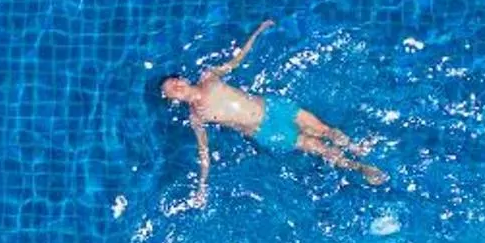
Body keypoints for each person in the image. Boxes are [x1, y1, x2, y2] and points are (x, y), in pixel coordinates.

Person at [159, 20, 383, 206]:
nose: (177, 88)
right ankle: (362, 168)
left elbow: (237, 60)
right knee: (320, 148)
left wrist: (258, 31)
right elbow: (204, 152)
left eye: (175, 82)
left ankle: (356, 147)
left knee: (324, 128)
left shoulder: (209, 77)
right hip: (266, 131)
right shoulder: (197, 116)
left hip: (275, 108)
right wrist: (202, 186)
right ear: (174, 100)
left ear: (182, 79)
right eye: (172, 92)